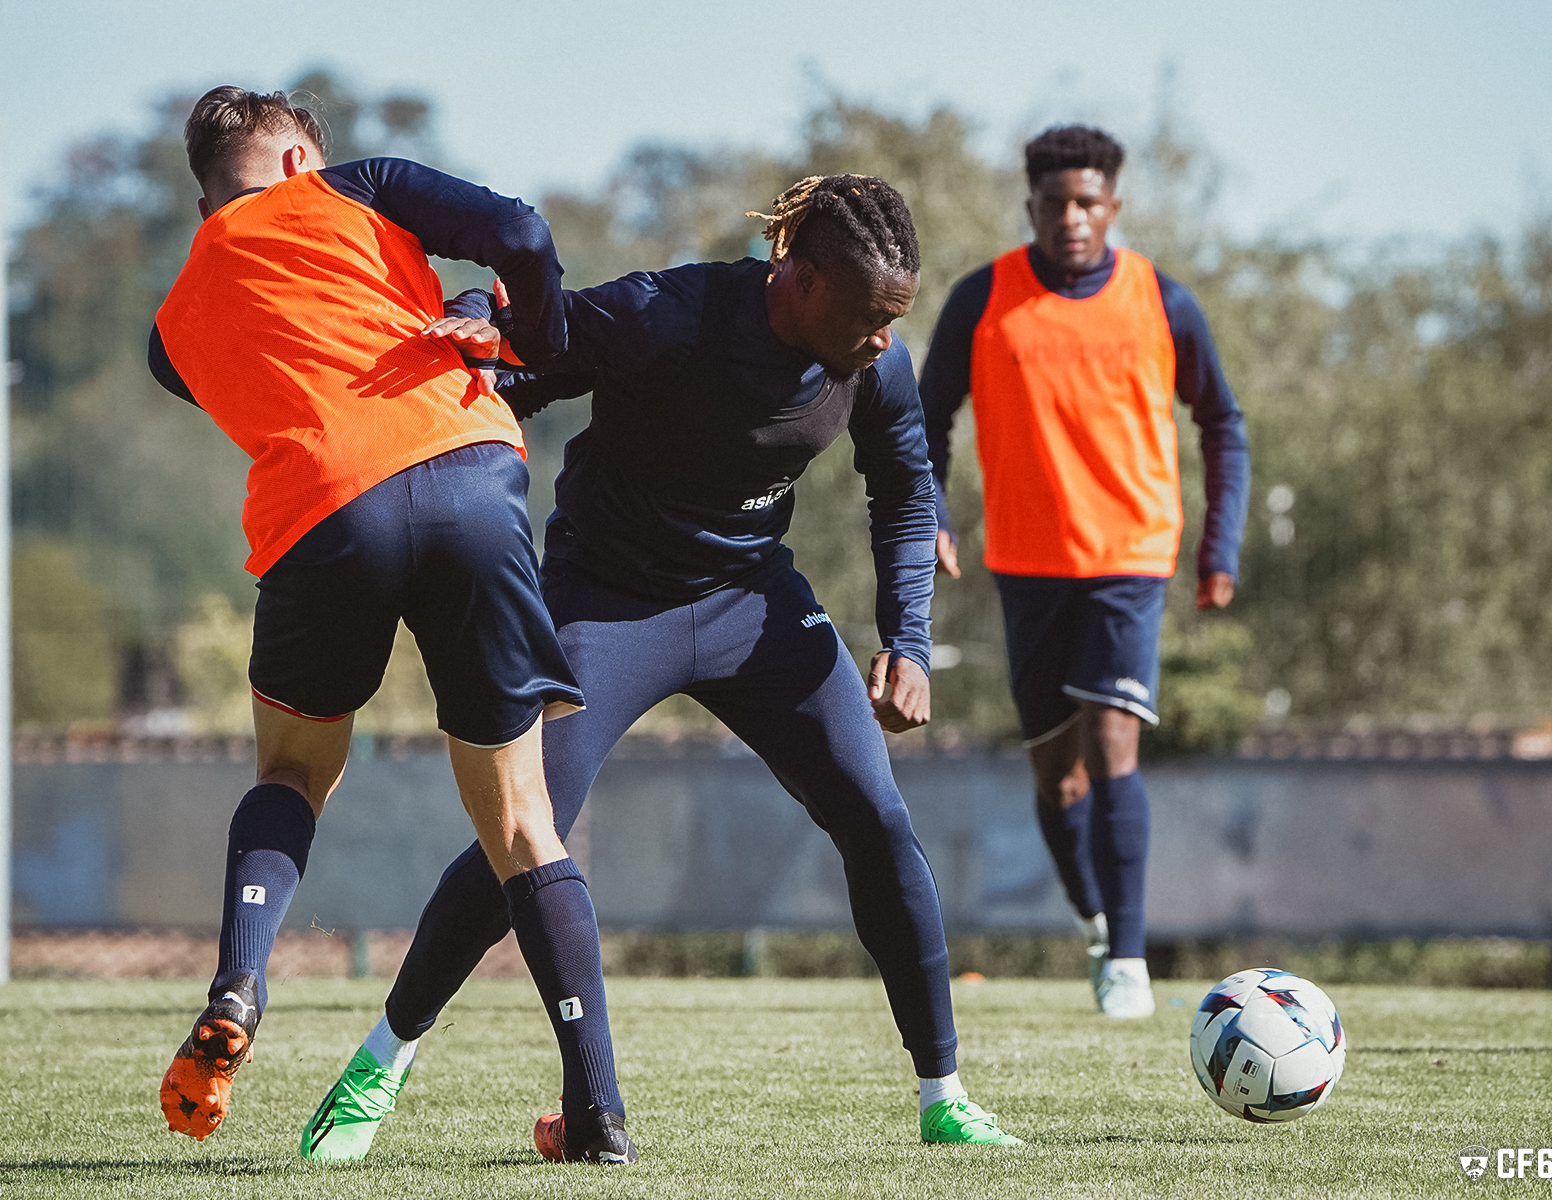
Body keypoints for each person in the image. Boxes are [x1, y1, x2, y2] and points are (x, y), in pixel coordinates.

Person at [304, 174, 1022, 1159]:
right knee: (525, 832)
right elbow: (530, 354)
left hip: (750, 604)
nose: (883, 339)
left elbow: (905, 486)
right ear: (803, 279)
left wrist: (907, 639)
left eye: (894, 318)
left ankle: (945, 1098)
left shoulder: (875, 365)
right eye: (869, 315)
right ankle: (379, 1064)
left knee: (877, 817)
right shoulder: (669, 314)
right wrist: (479, 321)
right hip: (606, 604)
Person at [147, 86, 636, 1164]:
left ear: (205, 204)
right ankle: (598, 1115)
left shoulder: (172, 324)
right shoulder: (350, 187)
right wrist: (530, 332)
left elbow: (245, 367)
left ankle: (237, 983)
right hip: (465, 475)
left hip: (321, 513)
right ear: (297, 162)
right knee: (523, 822)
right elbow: (520, 234)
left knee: (291, 772)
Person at [918, 125, 1250, 1019]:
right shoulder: (984, 299)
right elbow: (924, 419)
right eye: (1056, 203)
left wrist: (1218, 546)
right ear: (1032, 206)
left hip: (1130, 557)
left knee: (1112, 745)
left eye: (1088, 203)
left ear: (1113, 207)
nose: (1072, 217)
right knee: (1056, 778)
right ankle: (1098, 921)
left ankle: (1130, 960)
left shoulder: (1162, 301)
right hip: (1026, 563)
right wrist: (933, 515)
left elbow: (1223, 422)